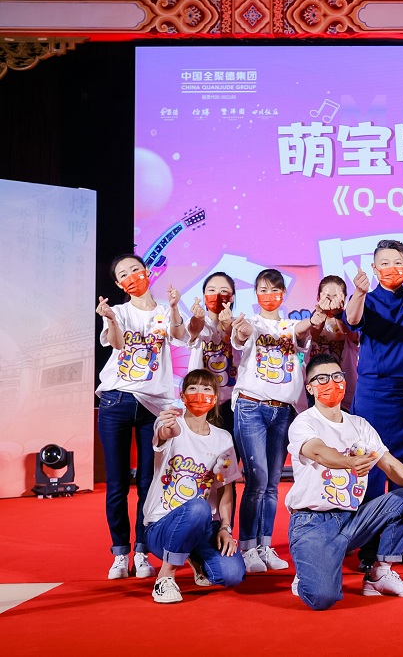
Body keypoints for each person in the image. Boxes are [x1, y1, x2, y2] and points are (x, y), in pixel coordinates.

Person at [286, 354, 403, 610]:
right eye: (322, 379)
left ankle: (380, 574)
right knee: (322, 598)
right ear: (310, 388)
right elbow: (319, 452)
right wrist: (349, 462)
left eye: (337, 377)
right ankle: (308, 567)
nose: (331, 383)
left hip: (351, 519)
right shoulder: (304, 422)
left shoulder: (359, 425)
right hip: (312, 522)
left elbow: (390, 464)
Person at [346, 239, 403, 570]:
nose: (391, 268)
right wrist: (358, 292)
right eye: (384, 263)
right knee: (370, 471)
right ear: (374, 268)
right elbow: (352, 319)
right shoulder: (366, 299)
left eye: (397, 262)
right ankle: (368, 550)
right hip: (372, 395)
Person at [95, 253, 187, 580]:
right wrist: (110, 318)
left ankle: (142, 551)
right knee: (117, 483)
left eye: (135, 269)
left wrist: (174, 307)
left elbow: (178, 336)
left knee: (148, 483)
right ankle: (120, 553)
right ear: (119, 284)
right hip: (116, 400)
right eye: (124, 274)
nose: (131, 276)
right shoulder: (119, 312)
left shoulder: (163, 310)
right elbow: (118, 344)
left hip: (154, 407)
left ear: (146, 272)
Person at [230, 268, 323, 574]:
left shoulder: (289, 326)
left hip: (282, 411)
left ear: (283, 294)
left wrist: (319, 314)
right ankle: (247, 547)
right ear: (255, 294)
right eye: (263, 290)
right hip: (251, 408)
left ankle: (264, 545)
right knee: (256, 480)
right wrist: (242, 329)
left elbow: (303, 328)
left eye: (274, 290)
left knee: (271, 484)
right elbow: (242, 336)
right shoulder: (251, 322)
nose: (269, 295)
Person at [143, 369, 244, 603]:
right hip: (162, 524)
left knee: (232, 575)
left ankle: (193, 557)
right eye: (193, 388)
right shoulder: (170, 424)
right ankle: (165, 577)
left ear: (215, 398)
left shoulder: (223, 438)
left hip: (203, 526)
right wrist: (168, 426)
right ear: (183, 395)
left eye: (206, 389)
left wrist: (225, 527)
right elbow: (166, 433)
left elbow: (224, 487)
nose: (200, 393)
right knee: (198, 506)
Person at [187, 271, 238, 434]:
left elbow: (241, 341)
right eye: (211, 290)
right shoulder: (197, 323)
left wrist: (228, 325)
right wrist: (198, 319)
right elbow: (193, 331)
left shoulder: (240, 325)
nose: (217, 295)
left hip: (233, 401)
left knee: (231, 448)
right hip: (201, 399)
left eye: (223, 291)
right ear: (204, 296)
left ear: (232, 297)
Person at [307, 275, 359, 412]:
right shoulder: (310, 323)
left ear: (344, 298)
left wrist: (338, 314)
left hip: (347, 395)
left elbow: (351, 334)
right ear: (318, 298)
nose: (331, 301)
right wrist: (322, 313)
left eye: (336, 296)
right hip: (317, 392)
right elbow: (313, 334)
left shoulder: (352, 322)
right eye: (327, 297)